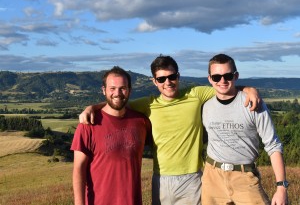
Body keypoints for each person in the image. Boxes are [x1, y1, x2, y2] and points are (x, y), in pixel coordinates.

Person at [79, 55, 261, 205]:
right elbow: (117, 102)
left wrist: (249, 89)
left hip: (192, 179)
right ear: (154, 81)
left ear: (178, 76)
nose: (168, 82)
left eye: (172, 77)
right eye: (161, 79)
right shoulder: (147, 104)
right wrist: (93, 107)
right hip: (161, 181)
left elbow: (223, 87)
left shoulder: (195, 95)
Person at [202, 54, 288, 205]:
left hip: (244, 176)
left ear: (236, 76)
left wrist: (281, 188)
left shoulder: (253, 104)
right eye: (216, 77)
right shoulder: (206, 106)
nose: (222, 81)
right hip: (212, 177)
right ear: (210, 79)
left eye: (227, 75)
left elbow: (273, 146)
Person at [71, 66, 152, 205]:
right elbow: (78, 169)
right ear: (104, 90)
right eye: (112, 88)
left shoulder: (142, 122)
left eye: (122, 88)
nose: (118, 93)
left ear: (130, 90)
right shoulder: (88, 124)